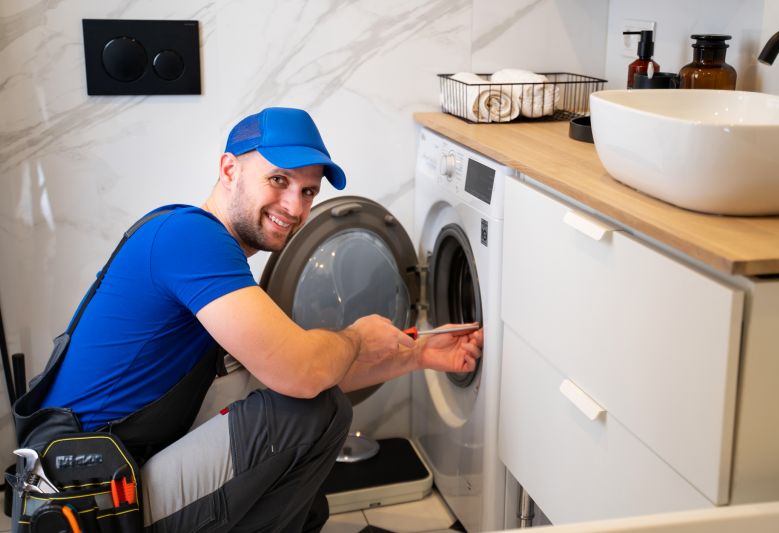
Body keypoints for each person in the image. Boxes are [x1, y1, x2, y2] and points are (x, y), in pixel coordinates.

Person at [38, 107, 484, 532]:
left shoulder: (209, 255)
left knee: (301, 441)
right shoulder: (190, 237)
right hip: (89, 497)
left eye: (308, 191)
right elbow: (302, 376)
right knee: (313, 414)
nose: (294, 206)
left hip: (111, 473)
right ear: (229, 169)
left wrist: (419, 354)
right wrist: (356, 337)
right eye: (278, 180)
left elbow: (271, 381)